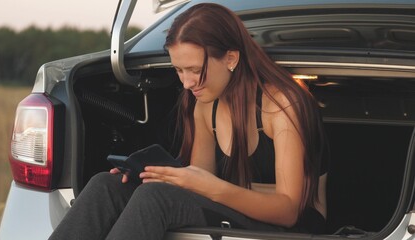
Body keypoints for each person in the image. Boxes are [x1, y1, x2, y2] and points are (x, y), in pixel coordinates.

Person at [49, 3, 329, 240]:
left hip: (291, 228)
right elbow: (197, 184)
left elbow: (289, 211)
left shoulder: (281, 105)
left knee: (155, 198)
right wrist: (156, 175)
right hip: (232, 210)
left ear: (231, 59)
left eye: (195, 70)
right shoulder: (206, 106)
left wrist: (208, 186)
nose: (187, 83)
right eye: (179, 70)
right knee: (105, 186)